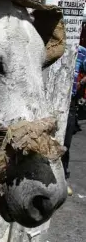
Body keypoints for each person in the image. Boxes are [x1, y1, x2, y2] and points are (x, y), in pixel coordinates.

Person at [63, 53, 86, 196]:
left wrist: (81, 83)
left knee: (64, 145)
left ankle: (63, 179)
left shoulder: (80, 51)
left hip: (69, 104)